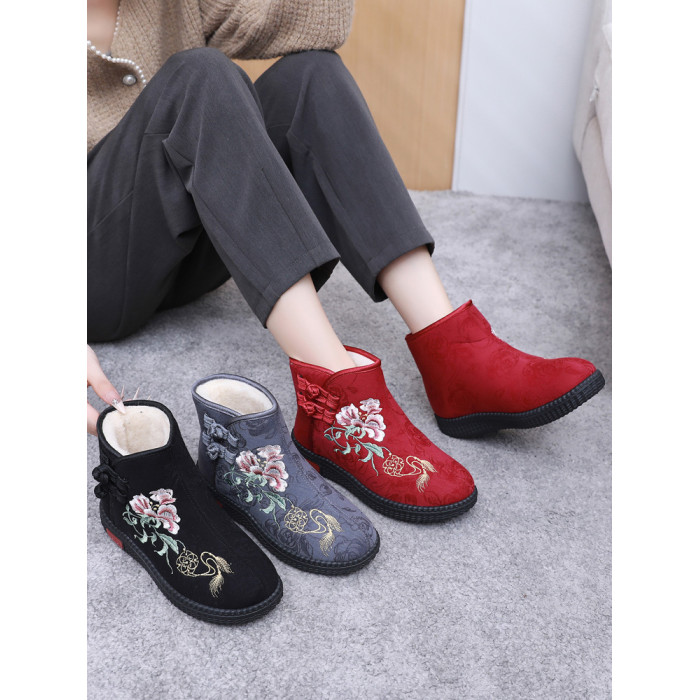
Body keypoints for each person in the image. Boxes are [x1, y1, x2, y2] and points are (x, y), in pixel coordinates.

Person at [87, 0, 603, 442]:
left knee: (311, 73)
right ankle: (339, 400)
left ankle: (456, 356)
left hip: (183, 245)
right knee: (200, 74)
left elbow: (309, 26)